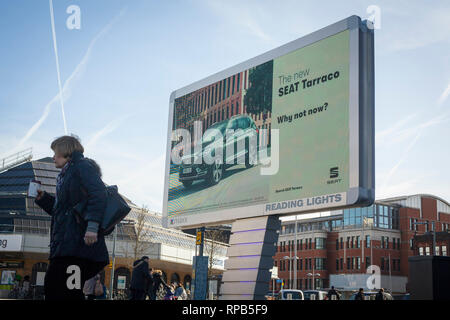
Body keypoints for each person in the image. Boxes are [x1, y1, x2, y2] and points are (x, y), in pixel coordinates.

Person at [35, 135, 109, 300]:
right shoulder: (65, 175)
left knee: (65, 289)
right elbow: (64, 212)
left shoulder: (82, 167)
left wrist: (92, 226)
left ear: (65, 151)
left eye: (56, 153)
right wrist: (44, 199)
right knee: (60, 288)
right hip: (66, 246)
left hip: (78, 247)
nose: (53, 157)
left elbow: (98, 194)